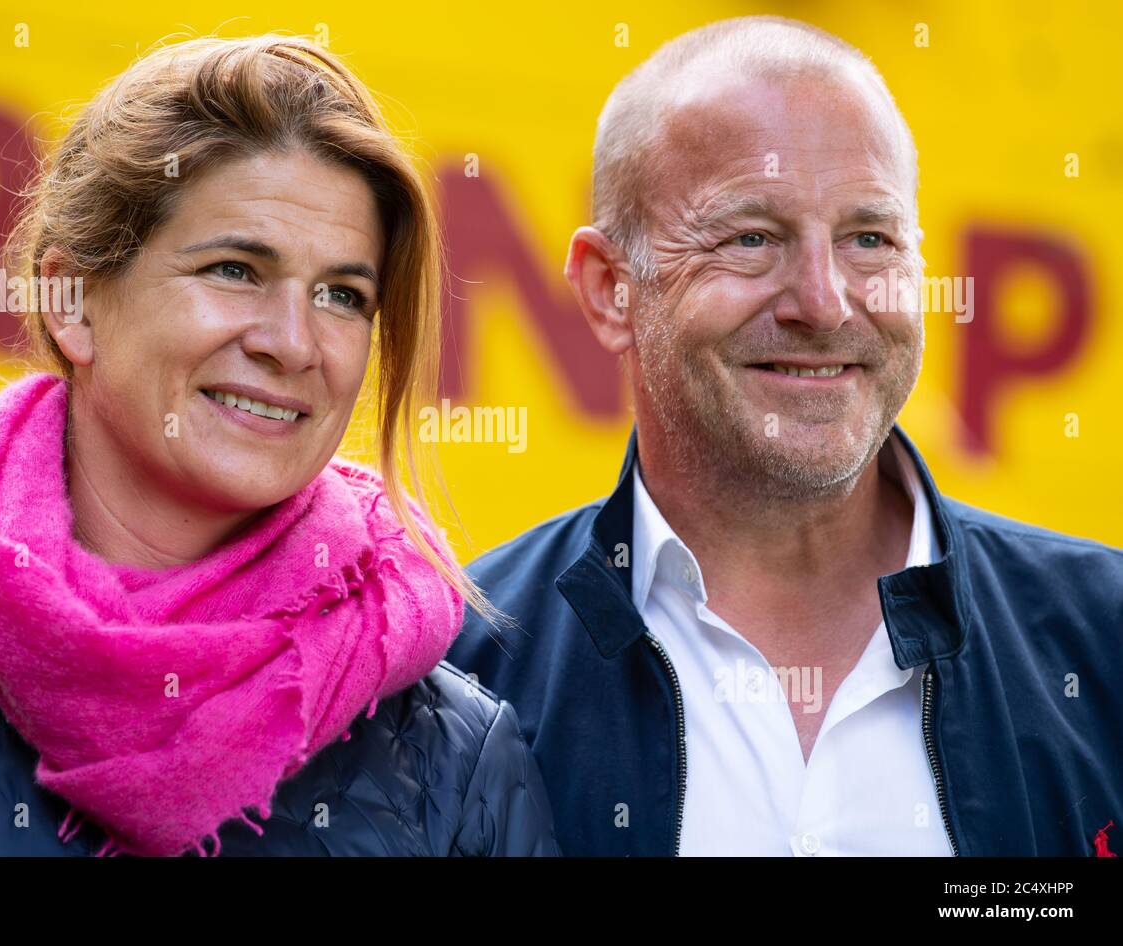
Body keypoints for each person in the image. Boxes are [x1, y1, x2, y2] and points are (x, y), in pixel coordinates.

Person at [0, 35, 558, 857]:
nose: (293, 342)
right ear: (71, 303)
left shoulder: (456, 759)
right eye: (235, 270)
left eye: (342, 295)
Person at [449, 15, 1123, 856]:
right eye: (752, 239)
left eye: (868, 239)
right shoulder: (458, 676)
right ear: (610, 289)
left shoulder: (1103, 642)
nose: (824, 301)